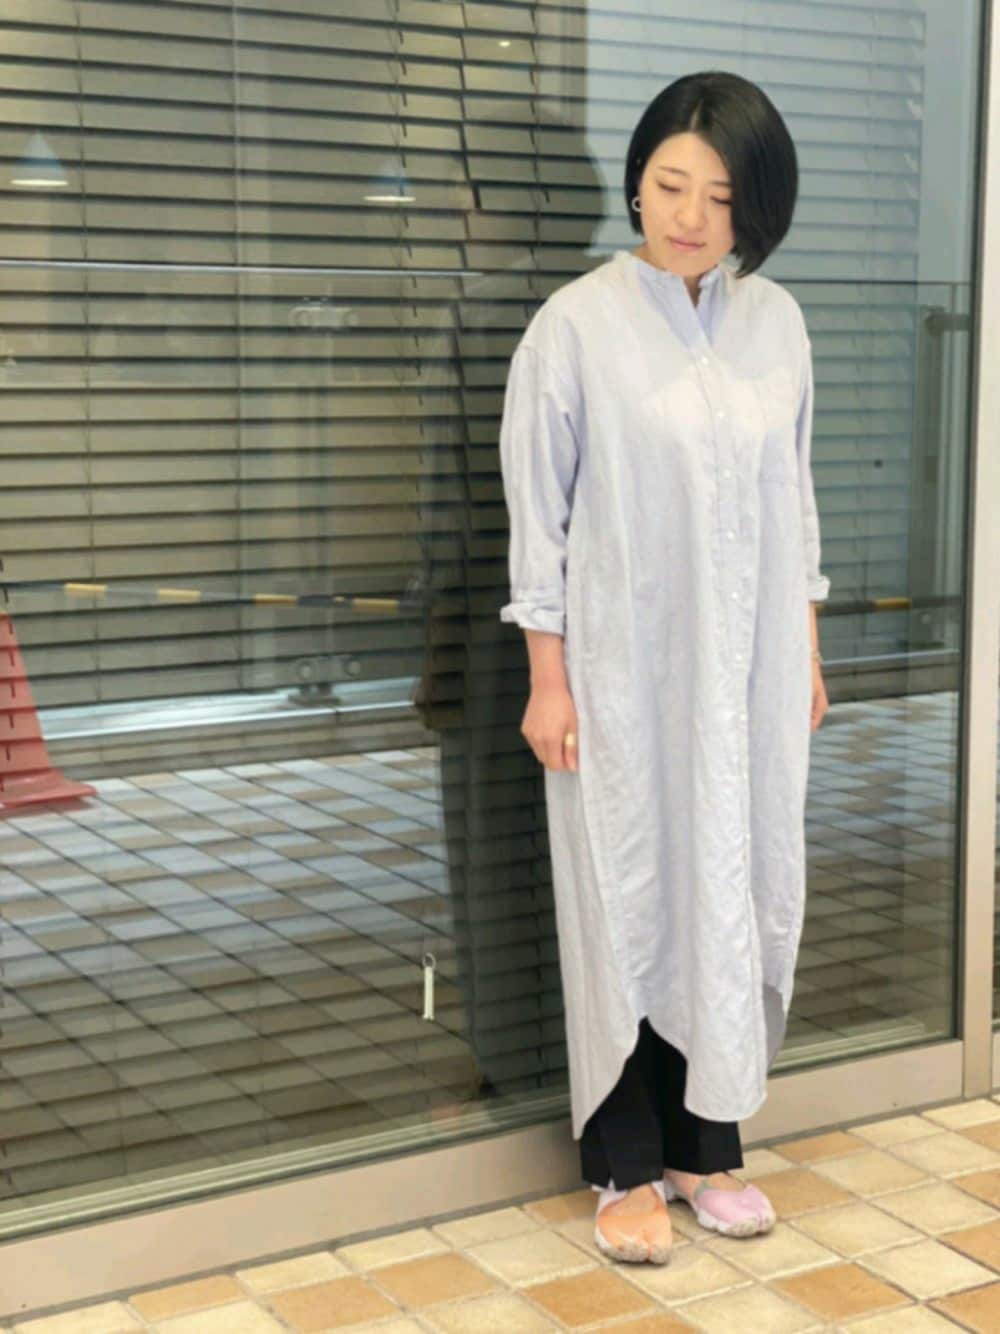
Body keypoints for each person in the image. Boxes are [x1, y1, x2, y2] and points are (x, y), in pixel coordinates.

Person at [497, 70, 831, 1266]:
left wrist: (803, 653)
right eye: (670, 184)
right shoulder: (575, 326)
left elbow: (795, 499)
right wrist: (547, 677)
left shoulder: (775, 324)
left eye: (722, 196)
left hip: (746, 677)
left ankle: (706, 1145)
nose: (690, 215)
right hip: (621, 675)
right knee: (626, 892)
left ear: (758, 208)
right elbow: (538, 518)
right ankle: (626, 1161)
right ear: (636, 181)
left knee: (727, 885)